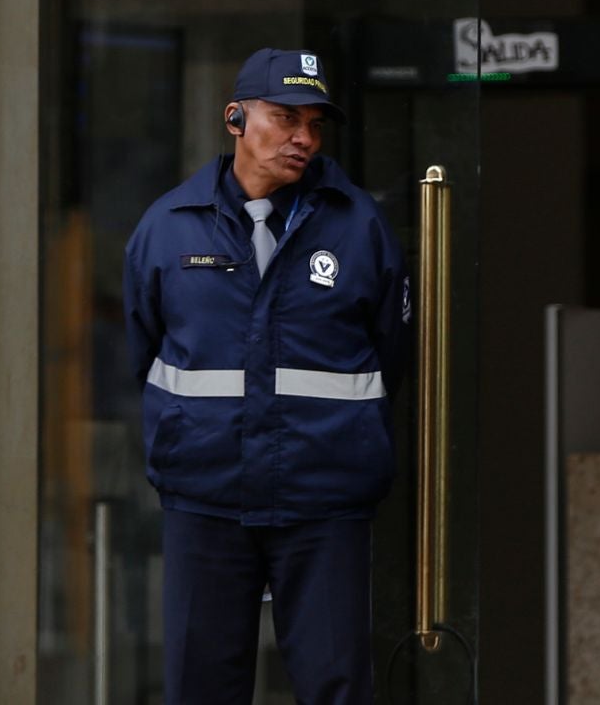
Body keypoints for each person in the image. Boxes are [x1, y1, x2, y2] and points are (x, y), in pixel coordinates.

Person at [123, 47, 411, 704]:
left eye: (315, 123)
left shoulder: (359, 228)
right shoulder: (166, 230)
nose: (303, 138)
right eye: (284, 117)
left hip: (324, 497)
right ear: (235, 118)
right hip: (206, 497)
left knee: (336, 685)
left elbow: (389, 356)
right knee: (201, 685)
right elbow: (144, 356)